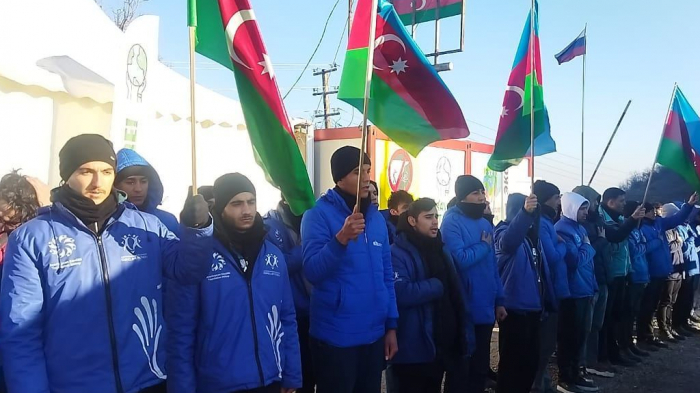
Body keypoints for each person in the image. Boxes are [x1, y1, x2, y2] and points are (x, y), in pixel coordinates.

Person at [0, 134, 212, 393]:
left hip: (146, 381)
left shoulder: (145, 226)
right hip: (73, 386)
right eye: (86, 171)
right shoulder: (32, 238)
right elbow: (21, 333)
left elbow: (189, 270)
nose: (98, 181)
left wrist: (198, 229)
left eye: (107, 171)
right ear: (67, 175)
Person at [166, 173, 301, 393]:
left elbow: (287, 317)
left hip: (269, 377)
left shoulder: (273, 255)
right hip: (219, 382)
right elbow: (181, 330)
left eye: (251, 202)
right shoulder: (198, 257)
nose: (246, 210)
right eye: (236, 204)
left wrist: (291, 374)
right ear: (219, 207)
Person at [301, 146, 399, 393]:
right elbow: (312, 271)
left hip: (374, 333)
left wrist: (391, 325)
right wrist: (340, 239)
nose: (366, 178)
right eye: (358, 172)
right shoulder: (317, 215)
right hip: (336, 336)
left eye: (367, 170)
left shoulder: (375, 218)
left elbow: (387, 274)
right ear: (339, 177)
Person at [389, 198, 468, 393]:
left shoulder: (440, 248)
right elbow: (401, 292)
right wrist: (435, 286)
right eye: (428, 217)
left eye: (436, 216)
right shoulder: (398, 252)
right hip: (413, 346)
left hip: (439, 343)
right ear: (412, 221)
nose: (434, 222)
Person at [442, 175, 506, 393]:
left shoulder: (483, 223)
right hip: (464, 306)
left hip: (486, 306)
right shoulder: (451, 221)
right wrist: (483, 246)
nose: (481, 197)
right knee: (461, 367)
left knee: (480, 367)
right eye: (475, 193)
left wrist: (499, 300)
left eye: (482, 192)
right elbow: (459, 259)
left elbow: (492, 268)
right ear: (462, 196)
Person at [494, 193, 555, 393]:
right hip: (514, 308)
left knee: (530, 362)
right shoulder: (503, 232)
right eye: (528, 210)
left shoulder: (532, 238)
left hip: (534, 307)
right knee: (512, 363)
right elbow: (508, 242)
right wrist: (525, 214)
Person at [0, 170, 50, 393]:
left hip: (24, 344)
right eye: (2, 219)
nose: (6, 228)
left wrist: (49, 207)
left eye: (13, 223)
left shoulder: (36, 238)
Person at [263, 195, 315, 393]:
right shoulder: (269, 226)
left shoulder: (315, 220)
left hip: (318, 311)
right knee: (298, 375)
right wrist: (306, 249)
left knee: (313, 373)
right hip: (292, 312)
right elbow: (278, 264)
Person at [638, 194, 696, 349]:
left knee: (655, 304)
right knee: (648, 306)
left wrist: (689, 205)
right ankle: (644, 335)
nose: (654, 213)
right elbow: (643, 249)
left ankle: (651, 335)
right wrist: (657, 240)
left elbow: (676, 219)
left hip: (663, 271)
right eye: (651, 211)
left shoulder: (658, 223)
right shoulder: (640, 228)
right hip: (651, 273)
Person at [555, 192, 598, 393]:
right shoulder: (562, 229)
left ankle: (576, 372)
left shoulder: (579, 229)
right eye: (581, 208)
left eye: (586, 208)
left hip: (585, 288)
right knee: (569, 336)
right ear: (571, 208)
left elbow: (585, 261)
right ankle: (566, 377)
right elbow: (574, 261)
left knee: (581, 334)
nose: (585, 212)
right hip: (573, 291)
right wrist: (589, 248)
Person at [598, 188, 644, 367]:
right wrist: (633, 220)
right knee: (607, 318)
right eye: (621, 201)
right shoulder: (603, 220)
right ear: (610, 202)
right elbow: (616, 237)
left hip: (622, 272)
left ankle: (617, 350)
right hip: (610, 273)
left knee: (618, 315)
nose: (624, 204)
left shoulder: (618, 219)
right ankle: (605, 354)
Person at [572, 186, 614, 378]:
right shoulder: (578, 227)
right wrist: (602, 241)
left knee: (596, 323)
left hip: (600, 277)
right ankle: (584, 362)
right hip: (588, 279)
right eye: (591, 203)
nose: (596, 205)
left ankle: (591, 360)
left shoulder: (597, 221)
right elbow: (584, 254)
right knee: (586, 326)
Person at [532, 180, 568, 393]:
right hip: (549, 290)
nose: (558, 203)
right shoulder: (542, 223)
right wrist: (562, 244)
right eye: (556, 198)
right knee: (544, 343)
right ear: (546, 199)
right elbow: (552, 256)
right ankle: (539, 384)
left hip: (555, 288)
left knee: (548, 342)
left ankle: (544, 382)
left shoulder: (546, 221)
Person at [116, 148, 180, 233]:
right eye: (130, 182)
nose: (138, 189)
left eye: (143, 181)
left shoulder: (167, 221)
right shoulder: (108, 223)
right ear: (116, 186)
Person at [621, 201, 651, 360]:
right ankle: (624, 344)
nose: (642, 215)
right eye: (639, 211)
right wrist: (643, 246)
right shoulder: (629, 229)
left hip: (642, 274)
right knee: (627, 313)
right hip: (633, 276)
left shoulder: (638, 230)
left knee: (634, 312)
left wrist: (642, 246)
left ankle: (630, 344)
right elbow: (634, 249)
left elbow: (642, 248)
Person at [658, 203, 688, 342]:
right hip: (670, 270)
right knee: (666, 301)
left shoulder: (676, 230)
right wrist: (676, 243)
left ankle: (670, 327)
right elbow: (670, 247)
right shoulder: (665, 230)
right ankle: (663, 329)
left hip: (678, 269)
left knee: (672, 302)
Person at [673, 208, 700, 335]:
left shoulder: (689, 227)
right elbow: (682, 247)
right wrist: (691, 241)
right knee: (682, 298)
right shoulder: (679, 228)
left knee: (688, 297)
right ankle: (677, 324)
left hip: (694, 267)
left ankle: (685, 321)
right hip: (686, 266)